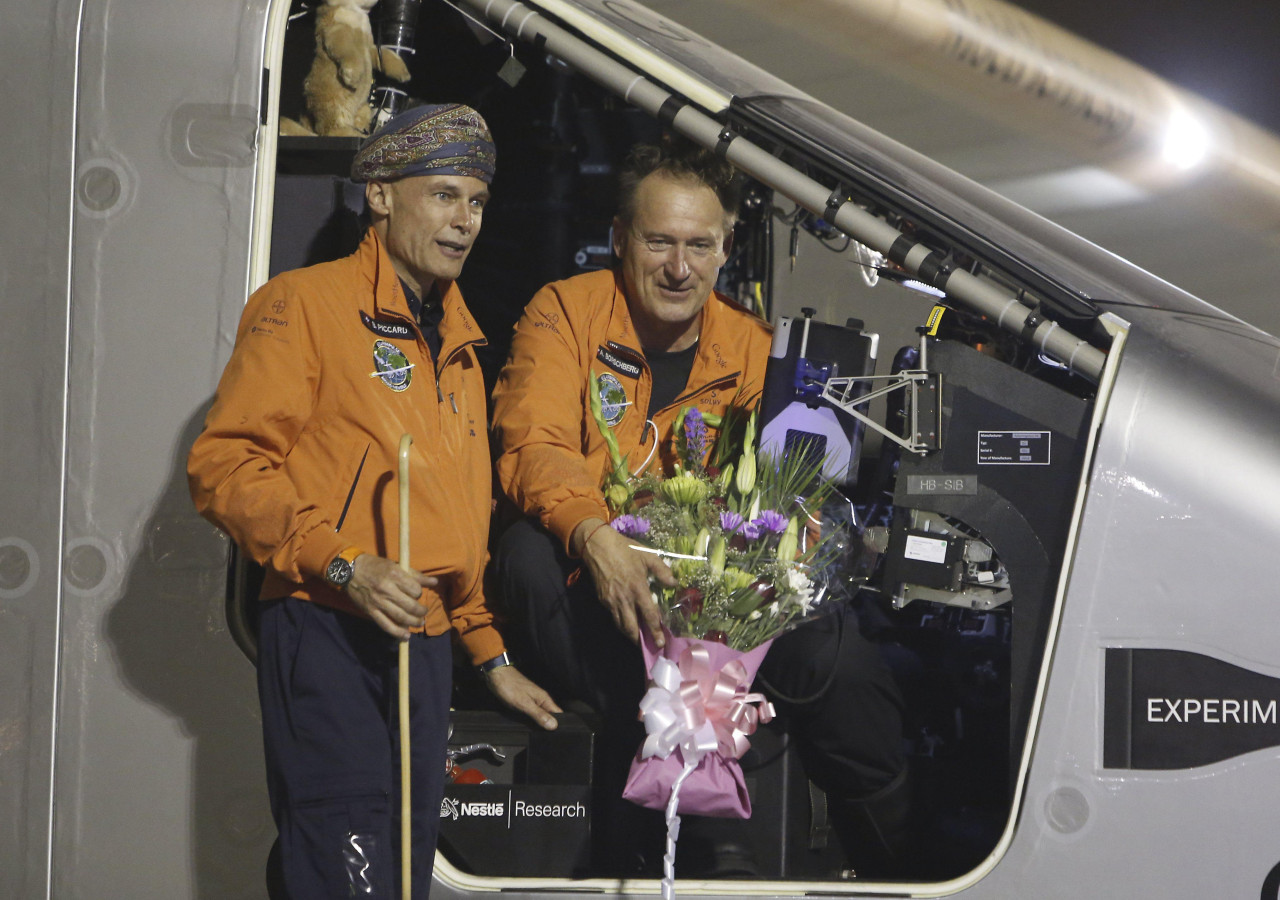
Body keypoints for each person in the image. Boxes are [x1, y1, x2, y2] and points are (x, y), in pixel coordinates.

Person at [489, 140, 910, 878]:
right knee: (525, 553)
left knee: (837, 656)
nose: (678, 267)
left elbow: (785, 502)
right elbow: (534, 443)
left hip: (712, 619)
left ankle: (905, 866)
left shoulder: (756, 352)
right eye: (659, 242)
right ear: (621, 239)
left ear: (725, 251)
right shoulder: (566, 313)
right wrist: (594, 535)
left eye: (698, 245)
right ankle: (650, 765)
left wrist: (744, 599)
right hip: (598, 605)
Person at [188, 103, 561, 899]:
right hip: (328, 628)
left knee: (396, 873)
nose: (465, 222)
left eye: (478, 202)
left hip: (419, 644)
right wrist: (345, 563)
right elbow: (225, 465)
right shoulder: (304, 305)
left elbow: (456, 522)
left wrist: (486, 649)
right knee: (346, 865)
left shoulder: (459, 341)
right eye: (445, 196)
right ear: (381, 194)